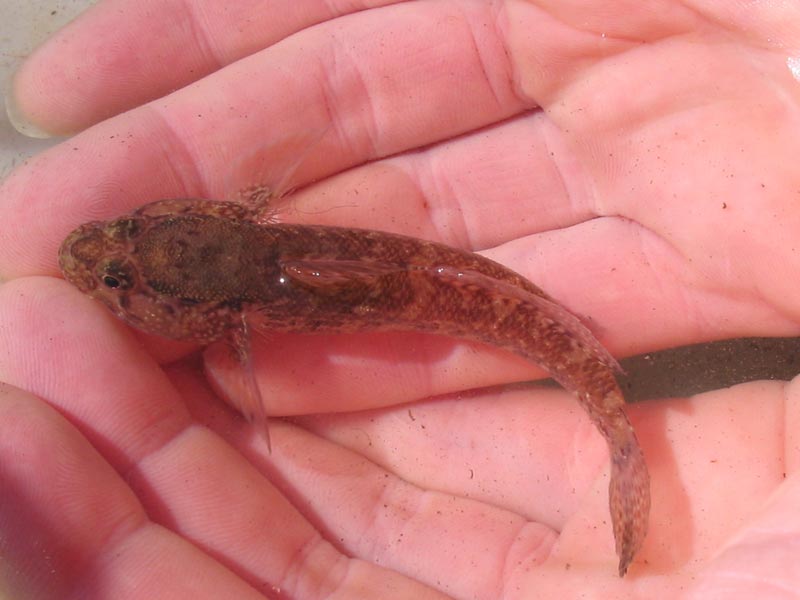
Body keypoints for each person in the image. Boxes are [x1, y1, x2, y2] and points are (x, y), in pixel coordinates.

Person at [1, 1, 799, 598]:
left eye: (121, 258)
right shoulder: (244, 231)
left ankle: (619, 437)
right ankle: (614, 426)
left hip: (417, 294)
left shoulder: (234, 318)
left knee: (508, 315)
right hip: (362, 274)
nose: (109, 255)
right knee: (499, 308)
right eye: (123, 265)